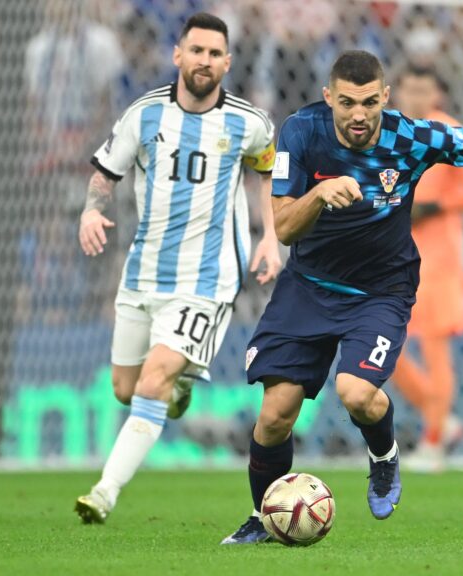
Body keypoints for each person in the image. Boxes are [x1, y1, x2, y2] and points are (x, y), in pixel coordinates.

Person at [221, 50, 463, 544]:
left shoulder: (408, 136)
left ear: (385, 97)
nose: (359, 114)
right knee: (276, 414)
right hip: (308, 286)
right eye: (346, 102)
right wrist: (320, 195)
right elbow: (282, 227)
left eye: (369, 102)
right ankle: (264, 517)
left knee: (357, 393)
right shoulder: (301, 133)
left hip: (380, 290)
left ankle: (384, 458)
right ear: (329, 98)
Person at [74, 12, 282, 524]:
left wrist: (271, 238)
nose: (205, 61)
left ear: (227, 63)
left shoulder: (248, 122)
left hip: (206, 282)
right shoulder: (144, 115)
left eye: (215, 54)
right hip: (143, 273)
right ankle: (182, 384)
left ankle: (104, 491)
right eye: (197, 51)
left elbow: (269, 169)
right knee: (126, 389)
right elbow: (106, 171)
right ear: (178, 55)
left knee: (151, 382)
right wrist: (90, 210)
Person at [389, 65, 463, 472]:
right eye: (409, 88)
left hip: (438, 259)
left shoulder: (454, 136)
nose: (415, 97)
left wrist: (435, 207)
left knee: (434, 346)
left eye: (424, 90)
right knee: (386, 349)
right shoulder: (389, 131)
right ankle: (442, 418)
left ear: (436, 95)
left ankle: (433, 442)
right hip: (394, 255)